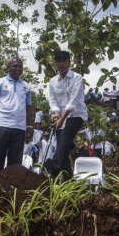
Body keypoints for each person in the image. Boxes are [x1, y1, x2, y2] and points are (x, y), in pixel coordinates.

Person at [0, 57, 34, 170]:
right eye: (14, 66)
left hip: (19, 128)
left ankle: (11, 187)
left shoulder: (26, 86)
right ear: (8, 68)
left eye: (20, 66)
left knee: (15, 164)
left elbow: (28, 107)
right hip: (1, 125)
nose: (17, 68)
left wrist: (30, 125)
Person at [48, 50, 88, 179]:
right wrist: (55, 115)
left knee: (65, 136)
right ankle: (68, 181)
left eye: (64, 61)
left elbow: (73, 102)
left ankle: (54, 169)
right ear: (56, 64)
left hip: (76, 115)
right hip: (60, 117)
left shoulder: (77, 78)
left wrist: (61, 120)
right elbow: (53, 101)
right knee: (62, 148)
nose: (62, 64)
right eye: (58, 61)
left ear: (69, 63)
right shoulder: (53, 81)